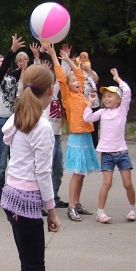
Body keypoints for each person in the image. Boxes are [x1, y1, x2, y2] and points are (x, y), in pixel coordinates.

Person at [0, 64, 60, 271]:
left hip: (11, 196)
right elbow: (43, 173)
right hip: (25, 202)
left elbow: (6, 134)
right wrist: (52, 211)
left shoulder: (18, 116)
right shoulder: (42, 125)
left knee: (28, 266)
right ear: (50, 90)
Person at [43, 44, 98, 221]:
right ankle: (72, 207)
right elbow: (60, 75)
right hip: (77, 137)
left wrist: (68, 60)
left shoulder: (81, 94)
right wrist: (53, 55)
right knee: (77, 173)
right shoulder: (68, 96)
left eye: (77, 81)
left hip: (86, 137)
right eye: (72, 81)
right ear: (67, 85)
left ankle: (77, 203)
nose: (76, 81)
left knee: (82, 173)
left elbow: (81, 74)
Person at [83, 69, 135, 224]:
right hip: (106, 153)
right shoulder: (102, 112)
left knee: (128, 183)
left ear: (119, 100)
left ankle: (133, 209)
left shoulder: (122, 110)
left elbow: (127, 91)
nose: (106, 98)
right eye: (104, 96)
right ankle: (100, 212)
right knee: (107, 183)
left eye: (110, 96)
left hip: (122, 152)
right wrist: (90, 103)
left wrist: (118, 79)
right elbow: (87, 118)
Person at [0, 35, 25, 207]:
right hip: (2, 121)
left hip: (16, 121)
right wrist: (12, 51)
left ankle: (13, 191)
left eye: (4, 62)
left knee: (17, 159)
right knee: (1, 161)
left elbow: (26, 69)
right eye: (0, 63)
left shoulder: (13, 77)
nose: (4, 65)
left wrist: (35, 56)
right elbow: (2, 71)